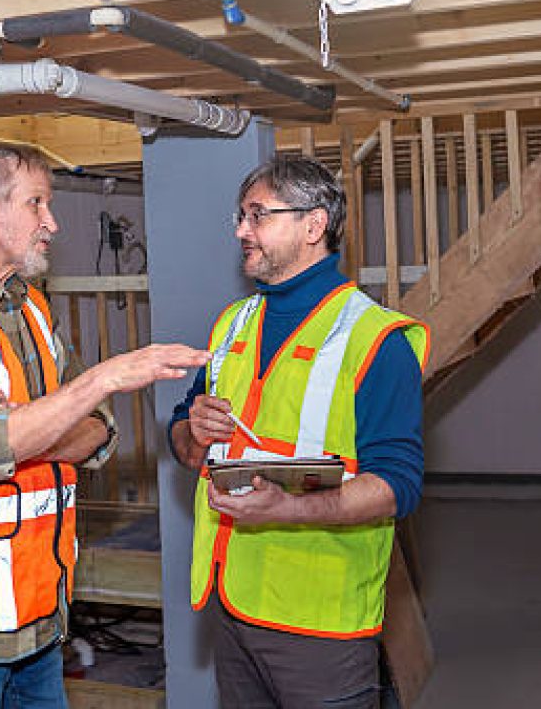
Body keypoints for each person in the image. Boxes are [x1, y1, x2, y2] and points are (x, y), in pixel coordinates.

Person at [0, 145, 210, 709]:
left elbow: (98, 432)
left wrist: (32, 427)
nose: (51, 222)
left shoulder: (29, 307)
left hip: (37, 611)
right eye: (36, 204)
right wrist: (98, 382)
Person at [169, 154, 429, 709]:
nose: (241, 230)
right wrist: (192, 431)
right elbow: (183, 438)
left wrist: (285, 510)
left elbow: (397, 486)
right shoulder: (232, 324)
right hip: (233, 607)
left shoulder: (375, 339)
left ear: (314, 225)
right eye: (240, 216)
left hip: (320, 624)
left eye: (258, 215)